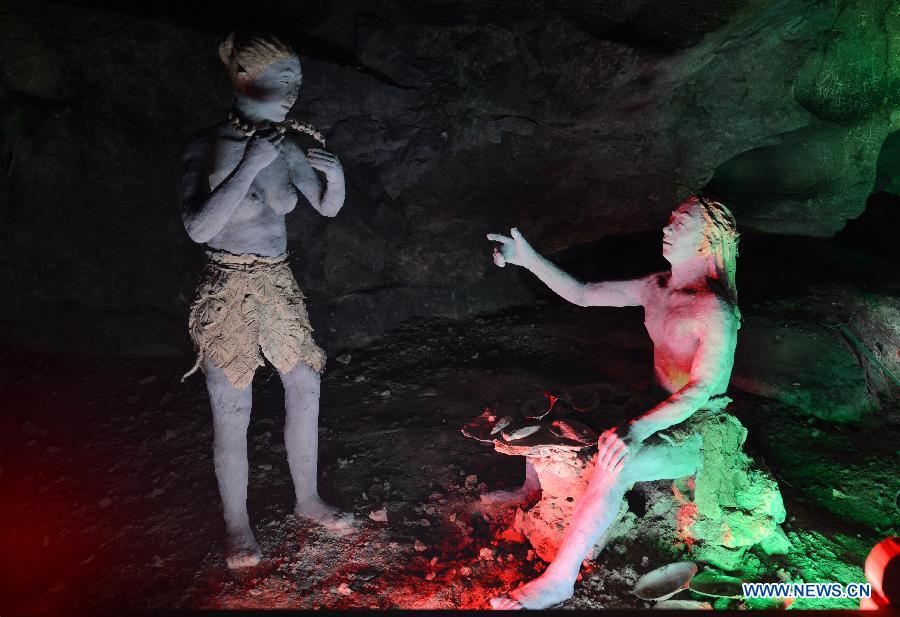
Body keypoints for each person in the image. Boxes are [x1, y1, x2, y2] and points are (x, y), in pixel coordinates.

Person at [487, 196, 741, 609]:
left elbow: (701, 390)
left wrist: (638, 428)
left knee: (616, 464)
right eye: (670, 220)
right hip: (653, 406)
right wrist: (528, 259)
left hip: (700, 432)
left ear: (708, 237)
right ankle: (529, 490)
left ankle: (559, 580)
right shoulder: (656, 286)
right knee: (554, 412)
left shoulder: (715, 309)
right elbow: (583, 294)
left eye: (681, 223)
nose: (668, 228)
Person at [180, 33, 352, 569]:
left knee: (305, 381)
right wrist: (249, 165)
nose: (292, 92)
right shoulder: (206, 147)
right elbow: (199, 227)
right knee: (233, 406)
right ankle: (237, 525)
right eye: (283, 79)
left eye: (297, 82)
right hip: (227, 286)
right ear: (243, 77)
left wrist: (336, 178)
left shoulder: (286, 146)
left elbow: (325, 208)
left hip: (278, 284)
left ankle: (307, 499)